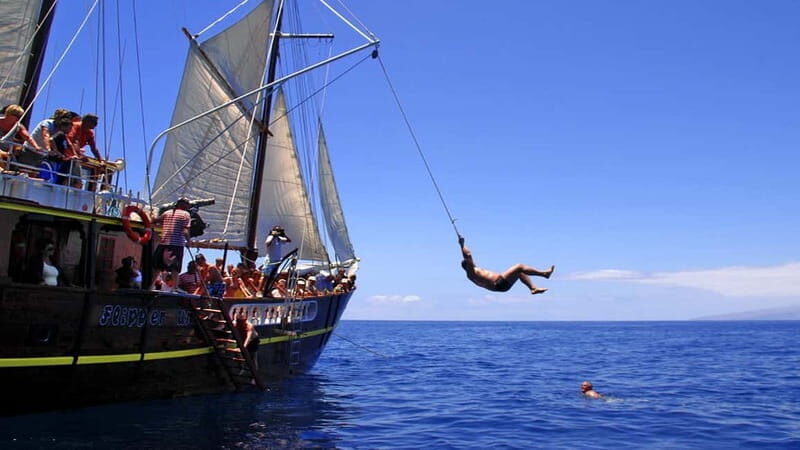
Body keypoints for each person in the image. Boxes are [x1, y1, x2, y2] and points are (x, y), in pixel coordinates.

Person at [458, 235, 554, 295]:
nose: (473, 262)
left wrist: (462, 245)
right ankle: (544, 274)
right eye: (470, 262)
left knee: (520, 273)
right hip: (498, 284)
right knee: (519, 266)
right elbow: (468, 256)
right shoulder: (471, 273)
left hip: (500, 285)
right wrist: (462, 244)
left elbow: (469, 257)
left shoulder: (474, 271)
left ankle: (533, 288)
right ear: (467, 266)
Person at [151, 197, 192, 292]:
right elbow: (185, 230)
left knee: (157, 266)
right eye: (187, 204)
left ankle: (150, 286)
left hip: (163, 243)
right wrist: (189, 241)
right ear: (183, 205)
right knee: (175, 267)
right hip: (176, 245)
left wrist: (151, 215)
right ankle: (175, 288)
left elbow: (154, 220)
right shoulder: (186, 214)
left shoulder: (167, 213)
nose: (188, 206)